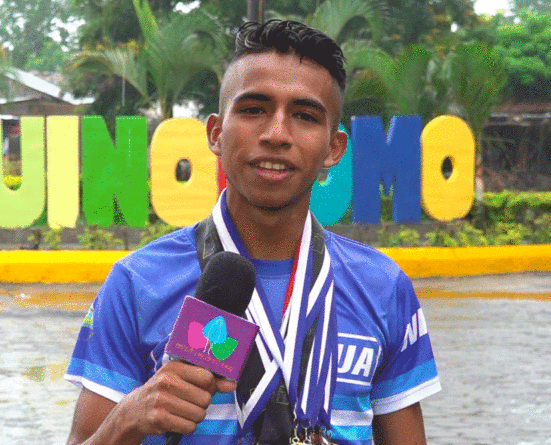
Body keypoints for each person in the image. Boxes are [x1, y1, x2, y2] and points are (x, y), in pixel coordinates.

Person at [64, 20, 441, 445]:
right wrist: (128, 418)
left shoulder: (384, 288)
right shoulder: (137, 283)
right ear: (215, 133)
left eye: (304, 116)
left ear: (333, 148)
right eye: (253, 109)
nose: (276, 134)